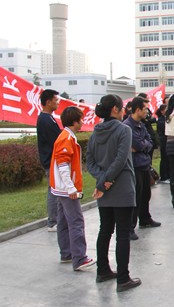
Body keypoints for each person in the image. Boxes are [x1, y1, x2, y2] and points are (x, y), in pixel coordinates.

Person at [87, 94, 141, 292]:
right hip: (121, 187)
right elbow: (120, 160)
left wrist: (102, 181)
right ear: (115, 109)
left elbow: (90, 162)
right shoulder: (124, 130)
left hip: (104, 190)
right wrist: (106, 182)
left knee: (105, 230)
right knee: (122, 234)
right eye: (122, 107)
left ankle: (102, 271)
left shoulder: (95, 132)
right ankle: (123, 278)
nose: (124, 110)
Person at [50, 106, 96, 271]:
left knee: (63, 221)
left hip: (60, 188)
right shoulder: (66, 138)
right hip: (66, 189)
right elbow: (63, 166)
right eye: (81, 119)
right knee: (76, 221)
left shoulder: (66, 136)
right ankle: (80, 258)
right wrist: (71, 188)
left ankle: (67, 253)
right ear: (75, 122)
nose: (82, 122)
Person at [123, 97, 161, 240]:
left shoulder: (141, 124)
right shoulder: (127, 126)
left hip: (144, 163)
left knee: (146, 194)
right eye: (145, 109)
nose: (147, 112)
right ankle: (130, 227)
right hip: (134, 166)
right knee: (135, 197)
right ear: (138, 110)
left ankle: (145, 219)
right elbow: (138, 144)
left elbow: (149, 141)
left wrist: (142, 146)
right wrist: (142, 145)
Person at [37, 89, 62, 232]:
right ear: (48, 102)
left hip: (53, 160)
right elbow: (56, 141)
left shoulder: (49, 118)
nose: (57, 103)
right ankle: (52, 222)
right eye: (56, 100)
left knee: (56, 189)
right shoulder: (45, 120)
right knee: (53, 190)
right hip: (51, 161)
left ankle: (57, 219)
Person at [155, 105, 170, 183]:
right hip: (163, 141)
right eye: (165, 109)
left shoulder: (167, 118)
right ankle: (163, 177)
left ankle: (168, 175)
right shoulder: (161, 120)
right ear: (162, 111)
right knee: (164, 158)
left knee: (168, 159)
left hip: (168, 140)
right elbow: (163, 128)